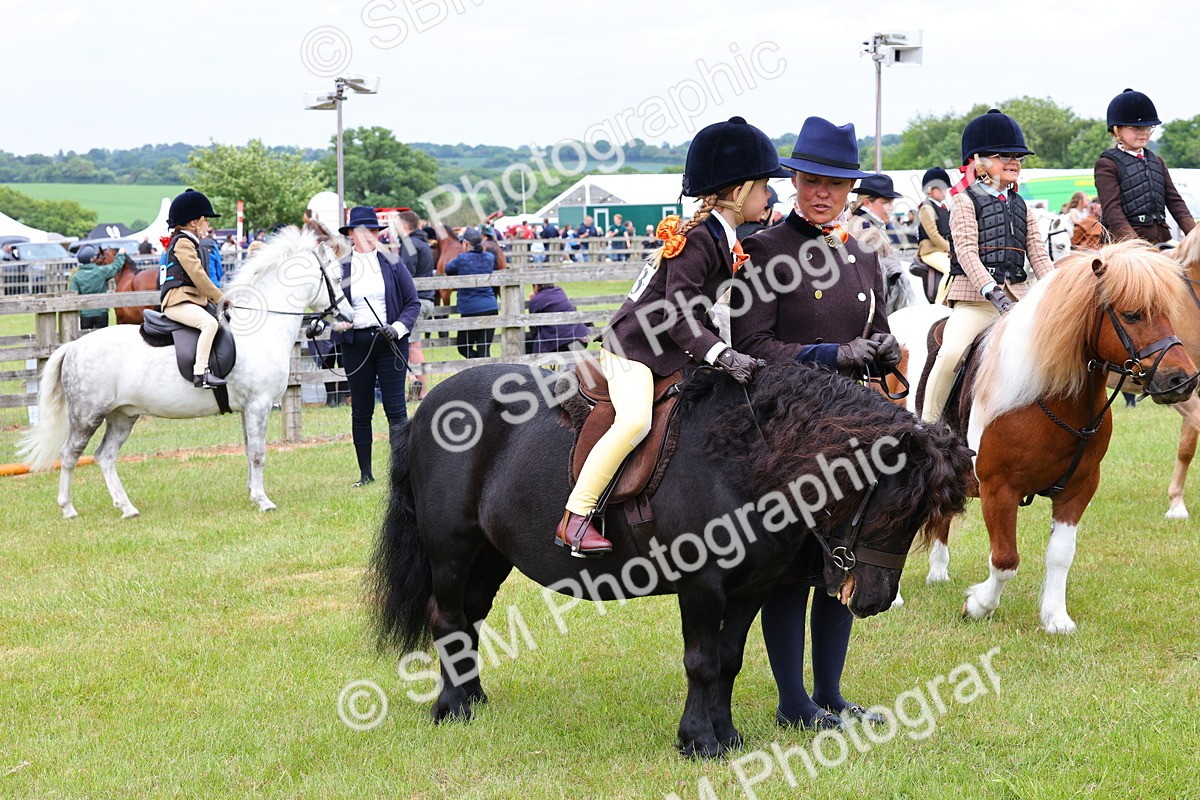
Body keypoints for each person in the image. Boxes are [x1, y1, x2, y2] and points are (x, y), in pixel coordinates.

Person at [730, 117, 898, 731]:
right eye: (811, 181)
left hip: (849, 423)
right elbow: (751, 344)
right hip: (786, 424)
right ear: (795, 182)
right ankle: (792, 701)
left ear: (851, 188)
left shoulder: (863, 253)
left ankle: (830, 692)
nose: (822, 193)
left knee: (840, 558)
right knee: (792, 566)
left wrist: (883, 350)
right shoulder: (764, 250)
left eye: (835, 183)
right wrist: (828, 354)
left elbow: (874, 328)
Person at [556, 115, 781, 556]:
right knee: (634, 421)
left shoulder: (720, 236)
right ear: (739, 193)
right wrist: (722, 355)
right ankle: (576, 516)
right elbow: (678, 313)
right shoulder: (698, 240)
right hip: (634, 350)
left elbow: (696, 311)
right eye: (764, 187)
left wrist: (720, 351)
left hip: (668, 349)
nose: (769, 196)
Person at [921, 109, 1054, 423]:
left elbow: (1038, 254)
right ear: (978, 162)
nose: (1013, 162)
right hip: (975, 302)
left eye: (1017, 157)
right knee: (951, 353)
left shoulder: (1022, 205)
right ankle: (927, 425)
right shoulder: (964, 201)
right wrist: (993, 293)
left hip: (1019, 300)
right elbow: (967, 253)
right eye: (1003, 156)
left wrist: (1058, 288)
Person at [332, 206, 421, 487]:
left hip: (389, 342)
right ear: (351, 234)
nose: (369, 235)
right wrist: (337, 324)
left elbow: (412, 303)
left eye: (373, 230)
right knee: (361, 410)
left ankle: (401, 474)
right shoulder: (341, 267)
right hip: (355, 344)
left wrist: (398, 328)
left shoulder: (393, 262)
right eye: (363, 231)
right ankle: (365, 474)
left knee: (396, 410)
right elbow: (332, 308)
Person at [1095, 88, 1196, 245]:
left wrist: (1195, 234)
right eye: (1136, 128)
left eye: (1148, 127)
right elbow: (1112, 210)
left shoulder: (1157, 161)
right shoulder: (1107, 164)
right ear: (1117, 129)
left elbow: (1175, 202)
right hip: (1124, 244)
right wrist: (1136, 244)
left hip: (1162, 238)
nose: (1143, 133)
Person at [158, 189, 229, 389]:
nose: (208, 225)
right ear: (194, 223)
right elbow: (198, 275)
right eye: (205, 220)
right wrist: (220, 298)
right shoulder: (183, 242)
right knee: (209, 324)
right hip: (177, 301)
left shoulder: (192, 243)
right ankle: (201, 373)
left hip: (190, 300)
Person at [397, 210, 435, 400]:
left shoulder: (410, 243)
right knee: (411, 345)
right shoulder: (423, 242)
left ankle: (422, 390)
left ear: (405, 226)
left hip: (416, 302)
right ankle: (414, 383)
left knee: (413, 346)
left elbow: (405, 274)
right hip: (427, 300)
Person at [445, 227, 499, 360]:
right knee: (484, 349)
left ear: (465, 243)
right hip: (491, 307)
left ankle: (479, 368)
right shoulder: (489, 257)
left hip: (471, 308)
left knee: (463, 347)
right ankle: (485, 369)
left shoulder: (462, 259)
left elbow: (448, 269)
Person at [847, 173, 904, 262]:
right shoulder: (869, 231)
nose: (892, 208)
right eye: (886, 202)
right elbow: (874, 269)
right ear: (867, 203)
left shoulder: (858, 221)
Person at [916, 167, 953, 302]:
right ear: (930, 189)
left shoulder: (943, 207)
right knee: (950, 270)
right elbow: (933, 234)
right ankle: (939, 304)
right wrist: (950, 248)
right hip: (930, 251)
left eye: (945, 189)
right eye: (941, 188)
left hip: (942, 250)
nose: (945, 192)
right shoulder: (927, 207)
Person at [69, 244, 123, 330]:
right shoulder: (101, 271)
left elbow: (72, 292)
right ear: (92, 259)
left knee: (86, 336)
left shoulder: (76, 276)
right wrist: (121, 255)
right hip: (101, 312)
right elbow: (116, 266)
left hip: (85, 314)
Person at [525, 282, 589, 354]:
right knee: (574, 356)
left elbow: (534, 329)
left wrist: (533, 299)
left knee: (526, 343)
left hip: (562, 344)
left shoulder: (536, 300)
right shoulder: (559, 291)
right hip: (579, 337)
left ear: (536, 286)